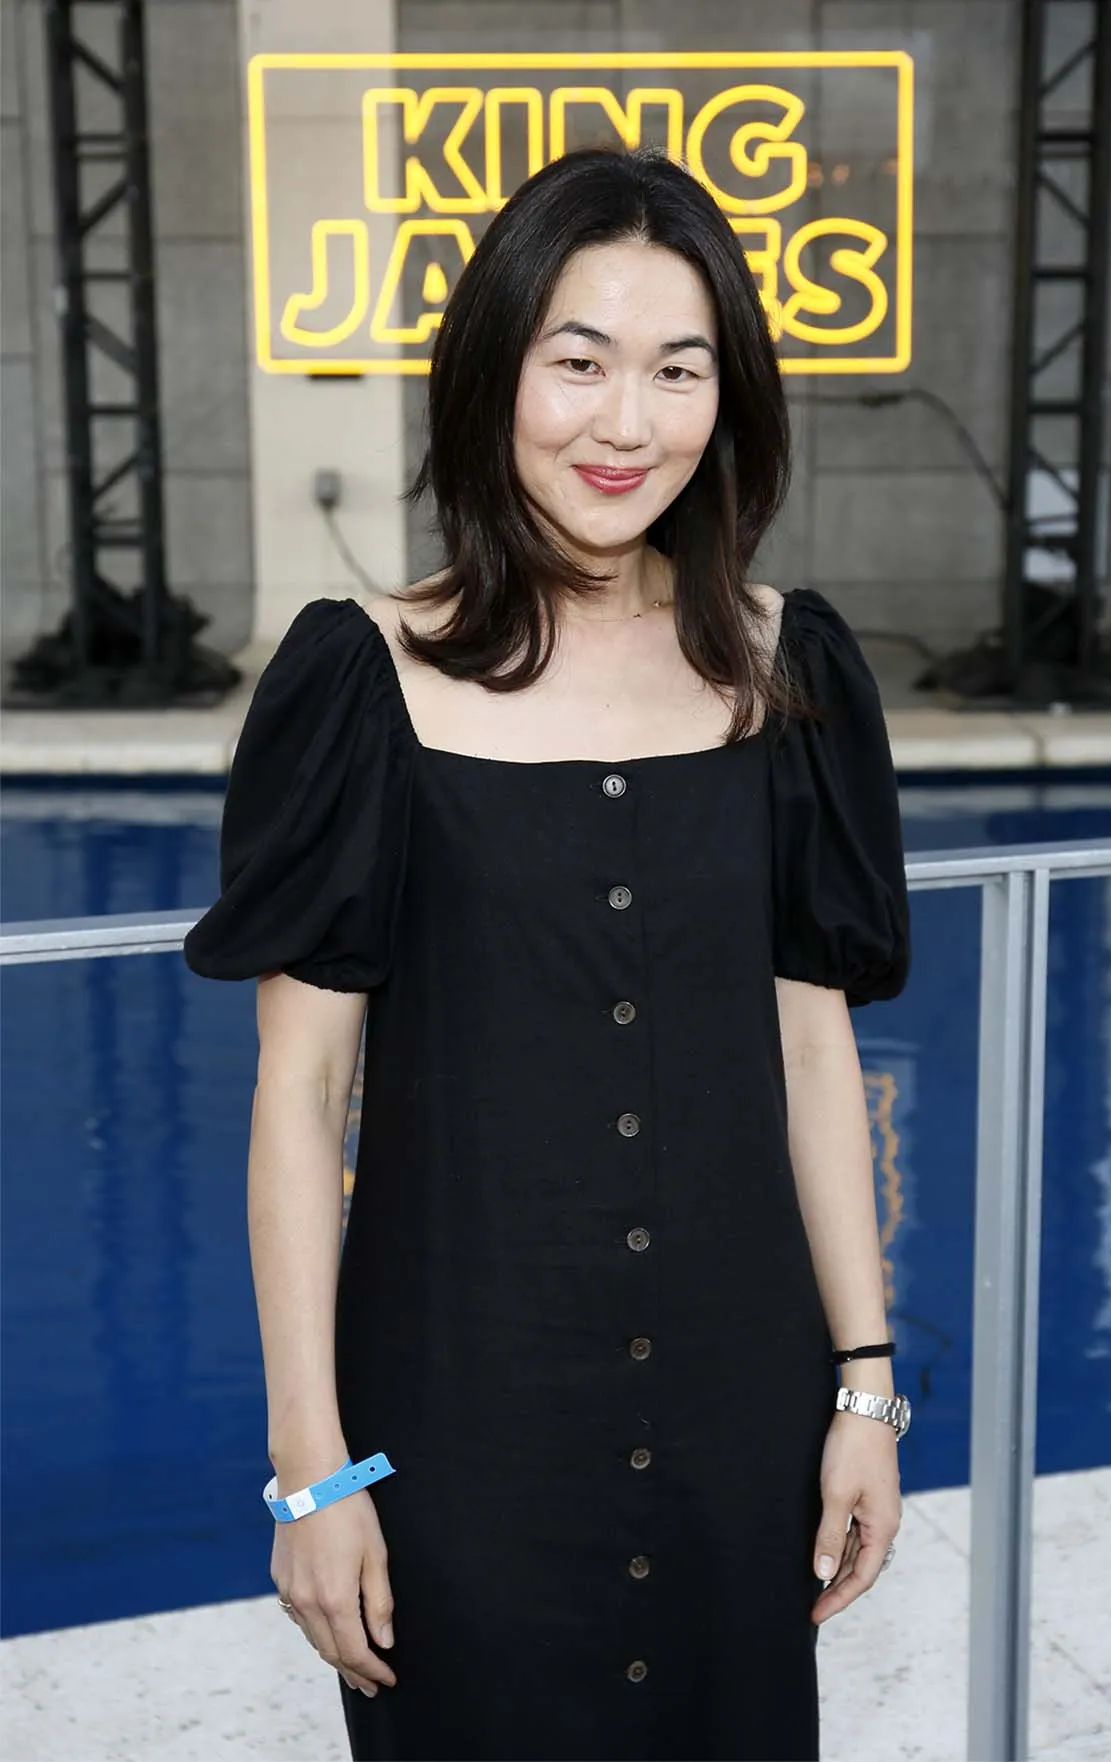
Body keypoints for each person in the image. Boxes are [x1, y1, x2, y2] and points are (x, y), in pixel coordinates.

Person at [183, 145, 911, 1762]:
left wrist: (863, 1388)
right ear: (493, 374)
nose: (627, 422)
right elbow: (297, 1097)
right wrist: (313, 1469)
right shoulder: (361, 680)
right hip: (460, 1421)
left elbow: (813, 1054)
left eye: (678, 369)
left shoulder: (788, 669)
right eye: (578, 362)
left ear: (732, 396)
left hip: (740, 1413)